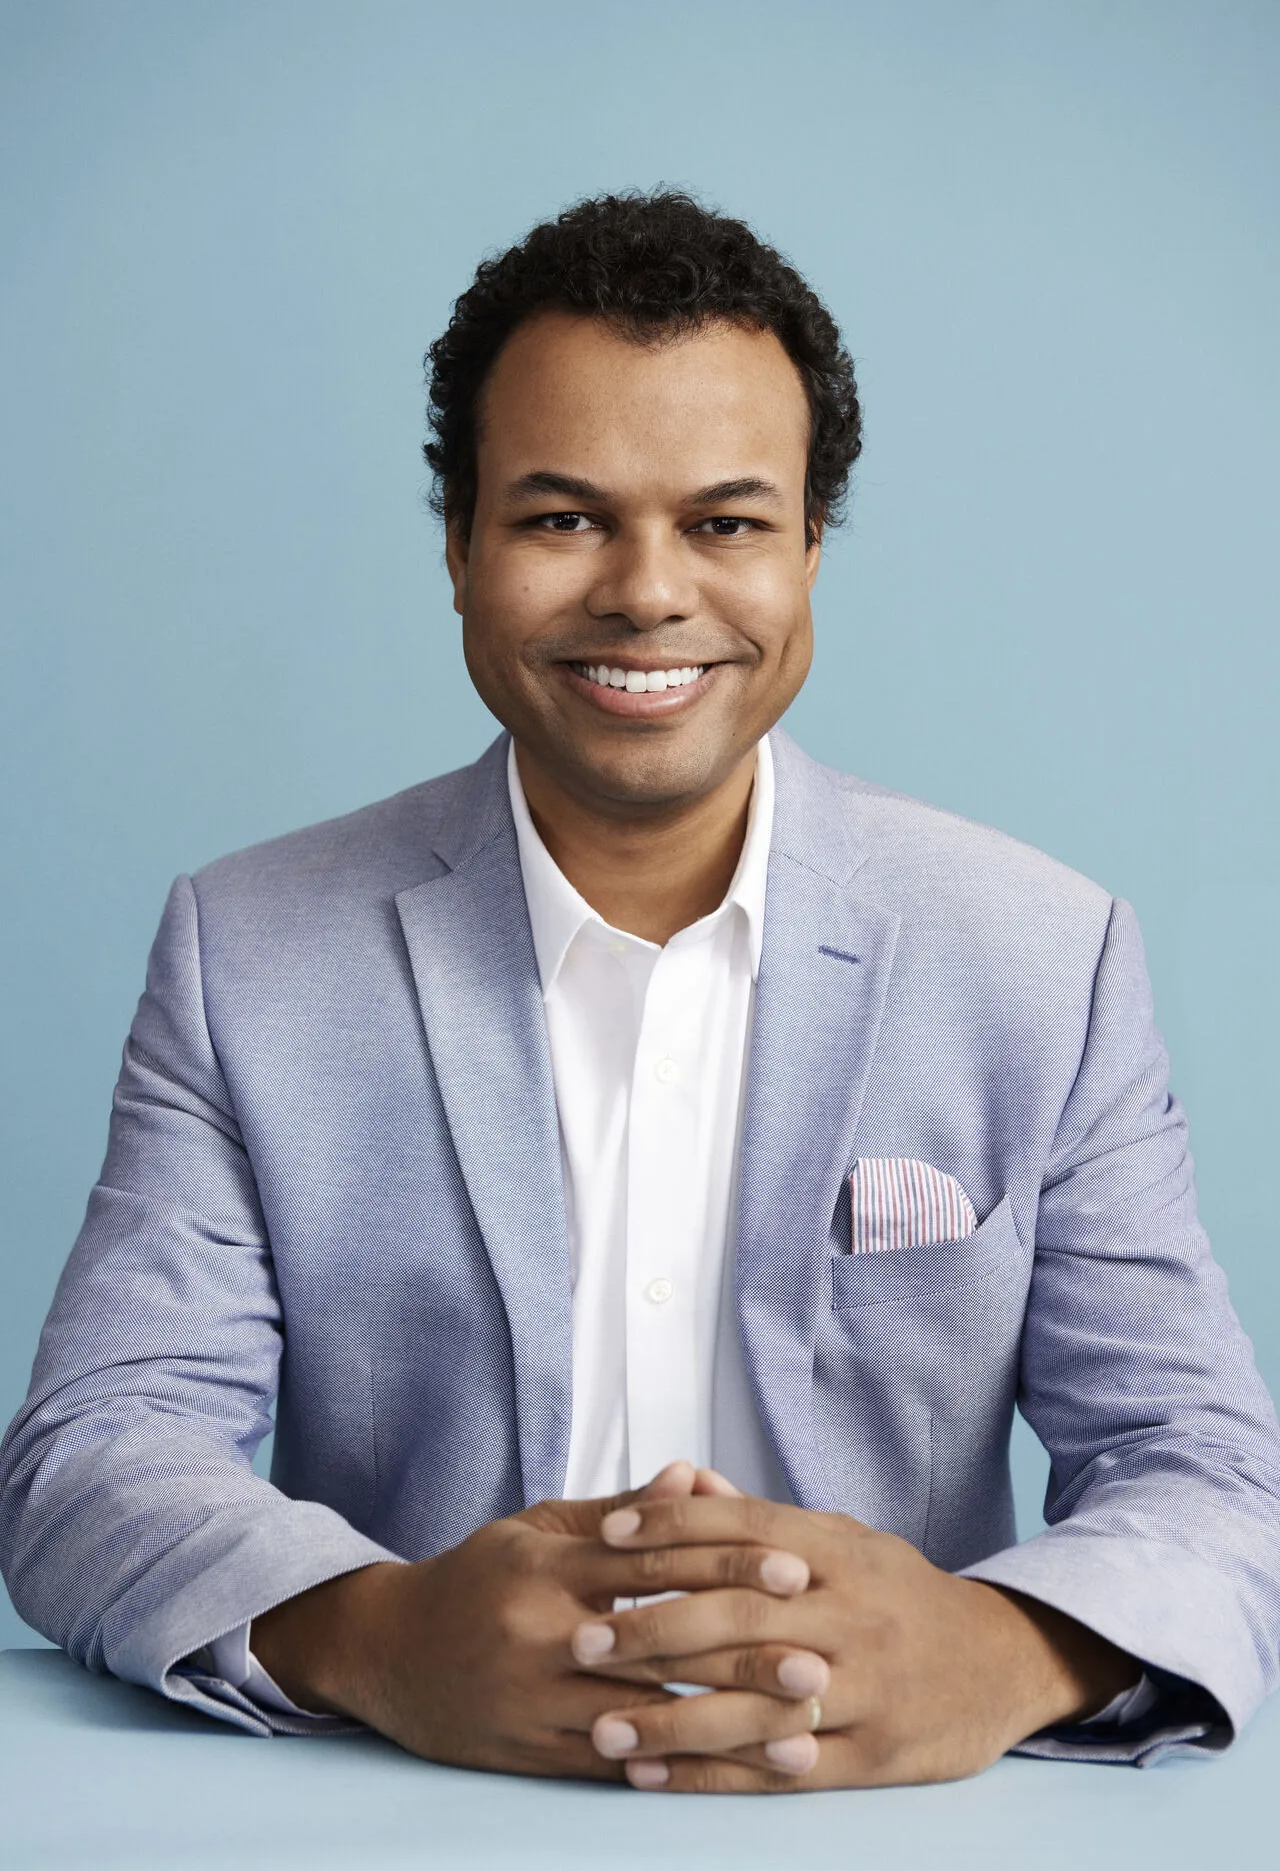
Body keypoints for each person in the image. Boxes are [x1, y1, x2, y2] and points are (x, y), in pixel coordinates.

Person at [3, 192, 1279, 1796]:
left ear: (810, 551)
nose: (648, 592)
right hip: (404, 1811)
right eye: (563, 519)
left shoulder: (1044, 957)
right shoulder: (247, 953)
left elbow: (1202, 1467)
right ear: (458, 544)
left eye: (727, 523)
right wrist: (377, 1633)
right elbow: (97, 1450)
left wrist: (1000, 1654)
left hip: (894, 1827)